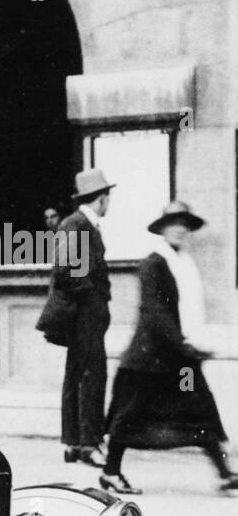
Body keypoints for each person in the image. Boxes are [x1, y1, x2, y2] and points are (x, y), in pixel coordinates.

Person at [100, 201, 237, 494]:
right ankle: (110, 472)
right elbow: (155, 313)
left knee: (197, 405)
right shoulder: (153, 263)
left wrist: (191, 348)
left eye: (184, 224)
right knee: (130, 414)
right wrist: (183, 345)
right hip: (148, 362)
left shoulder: (185, 264)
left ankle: (225, 473)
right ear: (162, 229)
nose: (179, 229)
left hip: (180, 365)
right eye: (173, 223)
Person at [48, 168, 114, 467]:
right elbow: (65, 271)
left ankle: (73, 443)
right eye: (107, 198)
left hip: (82, 314)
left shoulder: (78, 224)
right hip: (84, 315)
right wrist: (93, 298)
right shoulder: (78, 224)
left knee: (76, 376)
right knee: (92, 377)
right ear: (101, 198)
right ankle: (89, 444)